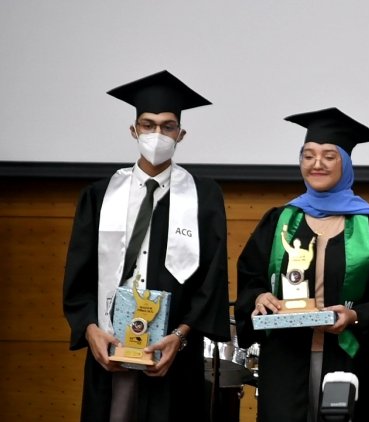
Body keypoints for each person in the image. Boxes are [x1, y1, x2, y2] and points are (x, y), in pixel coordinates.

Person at [62, 70, 231, 422]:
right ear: (134, 130)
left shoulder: (203, 197)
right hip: (110, 346)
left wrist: (179, 337)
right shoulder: (99, 196)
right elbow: (79, 275)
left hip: (172, 353)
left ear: (180, 134)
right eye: (148, 125)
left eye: (168, 127)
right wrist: (91, 330)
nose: (157, 135)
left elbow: (212, 280)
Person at [234, 107, 369, 422]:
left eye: (329, 156)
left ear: (346, 163)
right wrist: (260, 297)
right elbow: (251, 279)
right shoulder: (279, 220)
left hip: (351, 358)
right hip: (286, 360)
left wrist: (355, 315)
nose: (317, 164)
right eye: (308, 156)